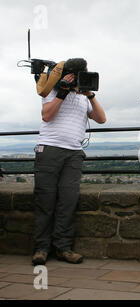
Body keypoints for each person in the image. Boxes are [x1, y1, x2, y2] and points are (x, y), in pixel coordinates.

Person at [32, 58, 106, 266]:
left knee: (68, 201)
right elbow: (47, 116)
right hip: (49, 149)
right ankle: (41, 248)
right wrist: (63, 92)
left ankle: (63, 248)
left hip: (73, 153)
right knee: (45, 201)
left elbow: (101, 119)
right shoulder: (51, 91)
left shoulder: (83, 97)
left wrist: (90, 95)